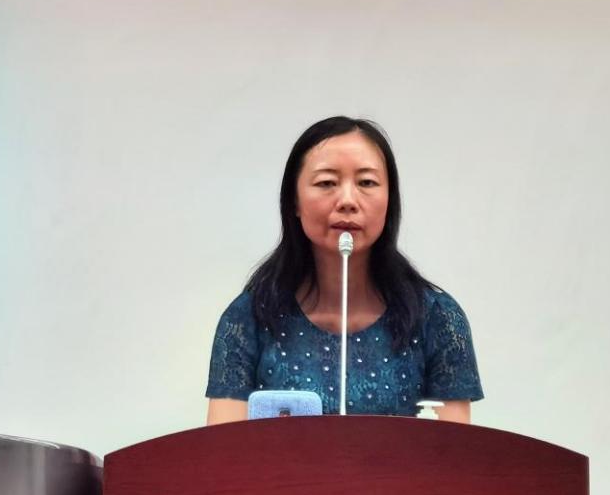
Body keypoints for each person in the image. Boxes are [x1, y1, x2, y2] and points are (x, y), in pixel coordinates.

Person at [205, 116, 482, 424]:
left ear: (389, 199)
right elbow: (223, 448)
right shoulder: (249, 318)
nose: (348, 201)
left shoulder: (438, 318)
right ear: (294, 200)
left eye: (367, 183)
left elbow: (453, 450)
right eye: (326, 183)